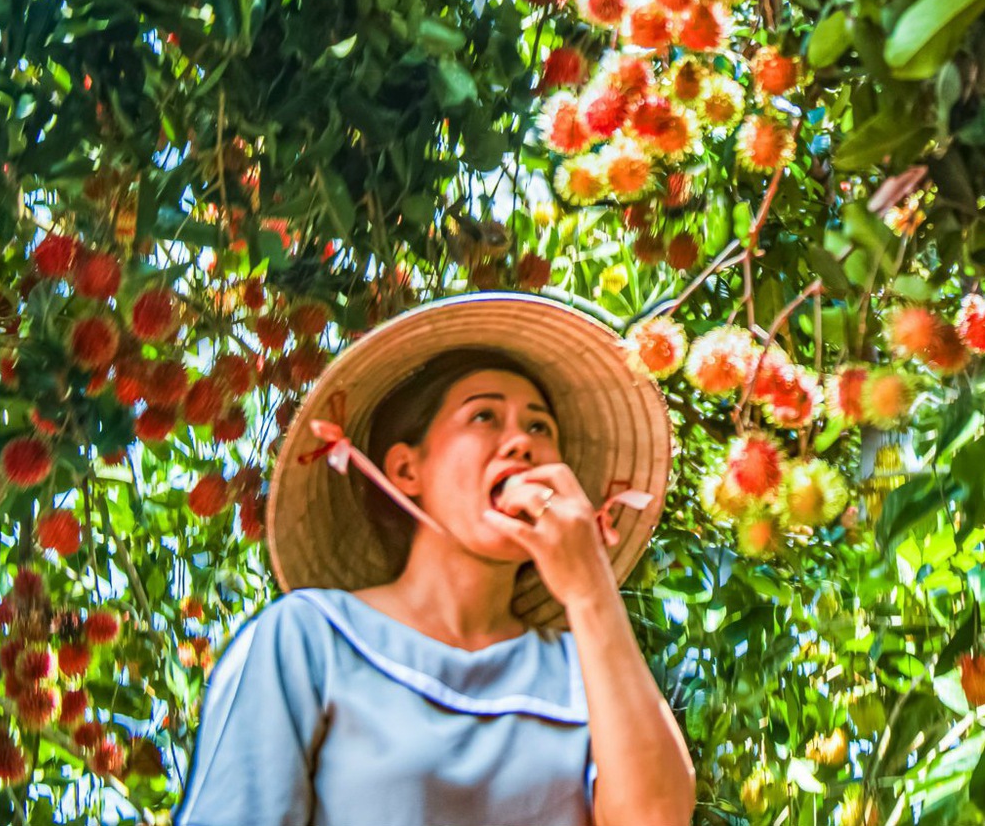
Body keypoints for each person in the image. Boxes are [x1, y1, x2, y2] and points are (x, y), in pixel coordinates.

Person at [176, 292, 694, 826]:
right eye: (485, 416)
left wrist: (590, 590)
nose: (521, 442)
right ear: (406, 471)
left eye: (540, 428)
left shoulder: (582, 671)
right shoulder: (311, 639)